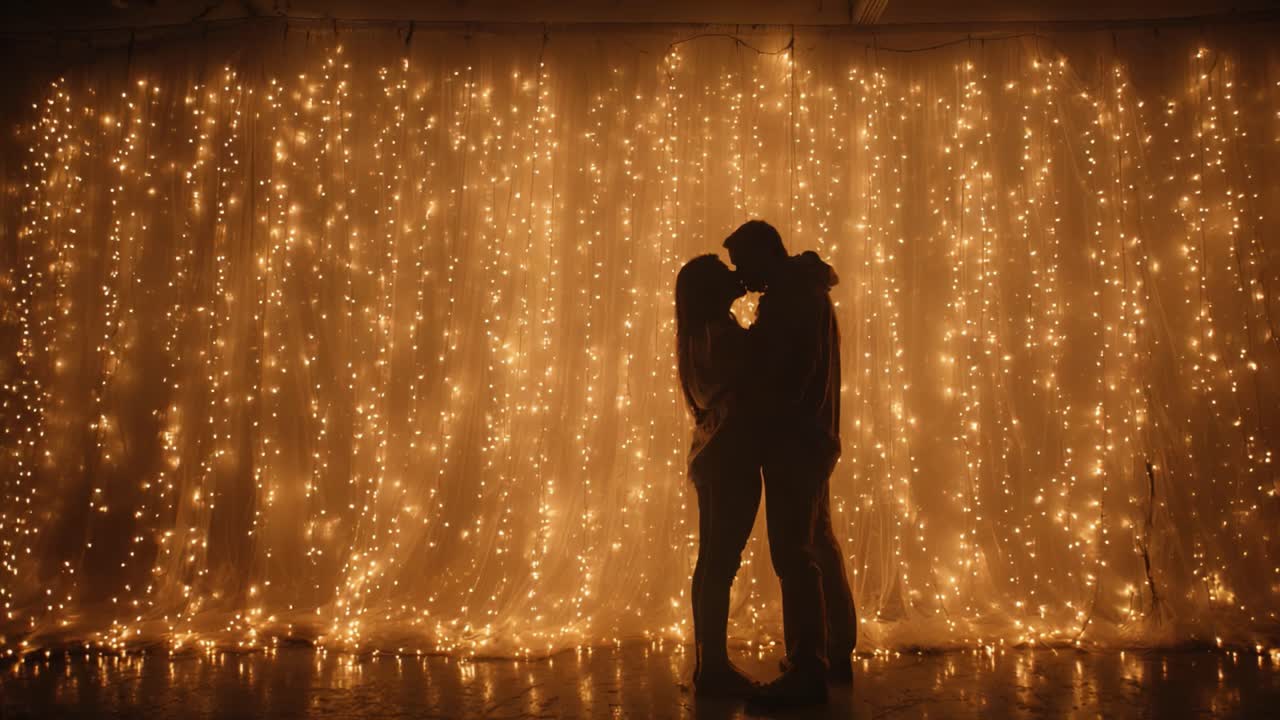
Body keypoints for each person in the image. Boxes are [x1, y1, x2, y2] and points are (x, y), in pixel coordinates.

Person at [724, 220, 857, 707]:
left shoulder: (788, 299)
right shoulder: (807, 291)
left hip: (794, 441)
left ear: (763, 255)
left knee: (793, 552)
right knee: (817, 541)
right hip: (816, 436)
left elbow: (783, 374)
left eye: (743, 266)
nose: (742, 277)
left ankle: (807, 668)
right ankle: (834, 651)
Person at [675, 253, 763, 698]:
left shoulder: (696, 336)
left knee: (711, 560)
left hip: (710, 454)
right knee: (720, 563)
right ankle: (713, 667)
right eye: (724, 272)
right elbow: (754, 375)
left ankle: (708, 662)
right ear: (711, 289)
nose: (736, 274)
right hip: (729, 455)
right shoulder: (719, 336)